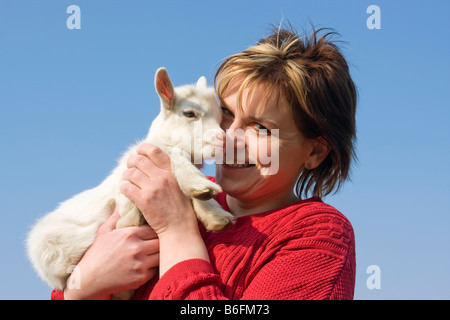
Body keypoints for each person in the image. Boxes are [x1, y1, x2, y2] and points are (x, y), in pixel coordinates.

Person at [53, 25, 357, 300]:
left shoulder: (319, 238)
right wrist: (85, 287)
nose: (227, 137)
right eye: (225, 113)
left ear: (314, 152)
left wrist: (176, 230)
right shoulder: (164, 190)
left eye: (261, 127)